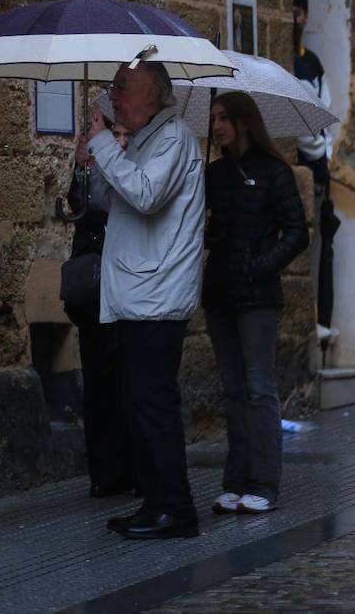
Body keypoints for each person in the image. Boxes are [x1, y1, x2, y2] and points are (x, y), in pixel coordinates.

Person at [86, 61, 205, 540]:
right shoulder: (140, 140)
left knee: (153, 406)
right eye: (113, 87)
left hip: (157, 296)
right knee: (139, 406)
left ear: (152, 96)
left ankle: (176, 509)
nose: (112, 96)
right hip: (137, 295)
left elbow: (146, 194)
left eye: (121, 88)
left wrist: (102, 146)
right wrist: (96, 157)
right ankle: (155, 503)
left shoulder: (174, 137)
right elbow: (106, 201)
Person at [203, 93, 310, 515]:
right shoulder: (213, 173)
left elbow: (297, 232)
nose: (217, 125)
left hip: (258, 297)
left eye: (225, 117)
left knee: (259, 389)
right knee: (233, 392)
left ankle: (264, 482)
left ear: (245, 122)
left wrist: (261, 266)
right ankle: (236, 480)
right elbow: (206, 234)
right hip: (220, 293)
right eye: (213, 118)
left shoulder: (274, 172)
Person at [62, 122, 135, 497]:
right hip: (92, 288)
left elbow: (114, 206)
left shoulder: (135, 172)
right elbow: (79, 208)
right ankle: (104, 472)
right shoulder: (92, 169)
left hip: (127, 286)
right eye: (113, 134)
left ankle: (132, 467)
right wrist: (81, 168)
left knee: (129, 380)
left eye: (125, 135)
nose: (120, 142)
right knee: (98, 382)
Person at [293, 0, 340, 342]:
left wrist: (324, 152)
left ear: (306, 16)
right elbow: (300, 122)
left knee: (325, 245)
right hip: (302, 163)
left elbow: (324, 115)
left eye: (299, 13)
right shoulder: (287, 65)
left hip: (319, 167)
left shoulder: (313, 64)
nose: (294, 20)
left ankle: (323, 319)